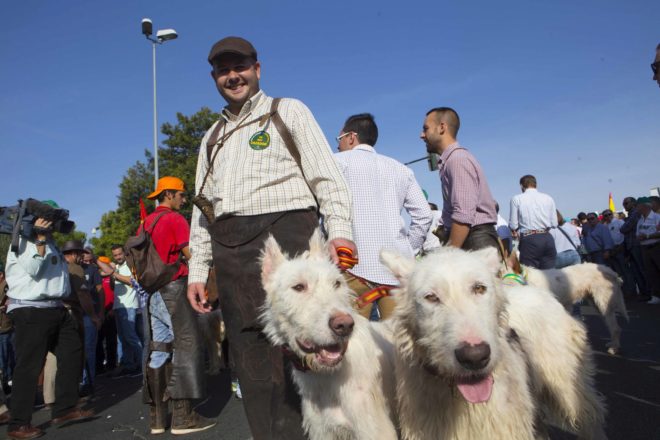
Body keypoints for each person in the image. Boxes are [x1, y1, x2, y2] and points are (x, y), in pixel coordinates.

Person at [186, 36, 355, 439]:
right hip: (231, 254)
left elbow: (328, 179)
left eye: (240, 66)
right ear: (214, 78)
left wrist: (341, 233)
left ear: (257, 69)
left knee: (309, 351)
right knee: (249, 361)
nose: (233, 76)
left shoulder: (287, 111)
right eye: (224, 70)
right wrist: (197, 269)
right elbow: (202, 210)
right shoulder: (210, 137)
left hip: (290, 239)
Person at [5, 212, 94, 439]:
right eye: (50, 222)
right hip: (30, 309)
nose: (54, 226)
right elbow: (34, 269)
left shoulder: (52, 243)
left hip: (55, 308)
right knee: (29, 366)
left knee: (73, 352)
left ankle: (64, 409)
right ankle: (18, 424)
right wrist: (40, 238)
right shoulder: (24, 241)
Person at [334, 113, 431, 319]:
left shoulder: (336, 162)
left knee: (350, 341)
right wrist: (407, 249)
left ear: (351, 137)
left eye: (339, 139)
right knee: (399, 342)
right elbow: (424, 215)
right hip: (395, 272)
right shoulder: (401, 169)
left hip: (351, 268)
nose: (337, 145)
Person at [142, 176, 215, 434]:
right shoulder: (174, 219)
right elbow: (191, 255)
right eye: (181, 195)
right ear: (170, 194)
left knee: (159, 350)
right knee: (186, 347)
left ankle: (157, 419)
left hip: (153, 294)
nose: (184, 200)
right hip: (174, 289)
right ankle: (184, 419)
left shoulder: (146, 222)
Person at [420, 107, 499, 252]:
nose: (422, 135)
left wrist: (450, 255)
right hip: (472, 240)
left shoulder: (457, 160)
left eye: (425, 129)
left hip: (474, 242)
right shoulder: (452, 160)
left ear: (442, 127)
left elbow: (463, 214)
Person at [508, 175, 558, 269]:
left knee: (531, 276)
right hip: (547, 237)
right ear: (535, 184)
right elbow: (554, 223)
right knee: (550, 275)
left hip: (530, 238)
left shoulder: (517, 199)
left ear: (522, 186)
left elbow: (513, 225)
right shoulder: (548, 198)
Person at [109, 245, 142, 376]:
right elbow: (113, 287)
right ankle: (128, 365)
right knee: (123, 339)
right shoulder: (116, 267)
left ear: (124, 253)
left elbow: (132, 281)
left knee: (131, 337)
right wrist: (113, 274)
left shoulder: (129, 265)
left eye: (119, 254)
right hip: (118, 306)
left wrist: (113, 274)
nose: (118, 257)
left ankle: (142, 365)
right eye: (115, 255)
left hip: (129, 305)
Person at [80, 248, 104, 396]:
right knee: (79, 349)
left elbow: (100, 290)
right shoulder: (71, 269)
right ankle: (82, 380)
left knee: (89, 348)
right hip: (75, 314)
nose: (87, 262)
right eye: (85, 259)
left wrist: (100, 313)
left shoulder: (93, 270)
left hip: (91, 314)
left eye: (90, 259)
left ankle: (89, 382)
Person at [620, 197, 648, 299]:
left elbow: (624, 228)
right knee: (636, 271)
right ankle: (644, 292)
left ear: (633, 203)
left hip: (636, 244)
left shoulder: (635, 213)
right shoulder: (631, 214)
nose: (625, 205)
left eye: (626, 203)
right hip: (631, 245)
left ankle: (648, 292)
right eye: (624, 204)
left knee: (641, 270)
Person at [635, 197, 660, 304]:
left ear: (644, 206)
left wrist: (648, 236)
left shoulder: (657, 218)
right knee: (651, 273)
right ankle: (656, 295)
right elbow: (637, 233)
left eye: (638, 206)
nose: (636, 208)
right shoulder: (640, 220)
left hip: (656, 247)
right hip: (644, 249)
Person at [95, 256, 117, 374]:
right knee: (98, 340)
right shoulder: (95, 276)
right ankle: (99, 365)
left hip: (110, 311)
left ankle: (112, 364)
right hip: (98, 312)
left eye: (105, 264)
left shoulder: (113, 277)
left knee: (111, 340)